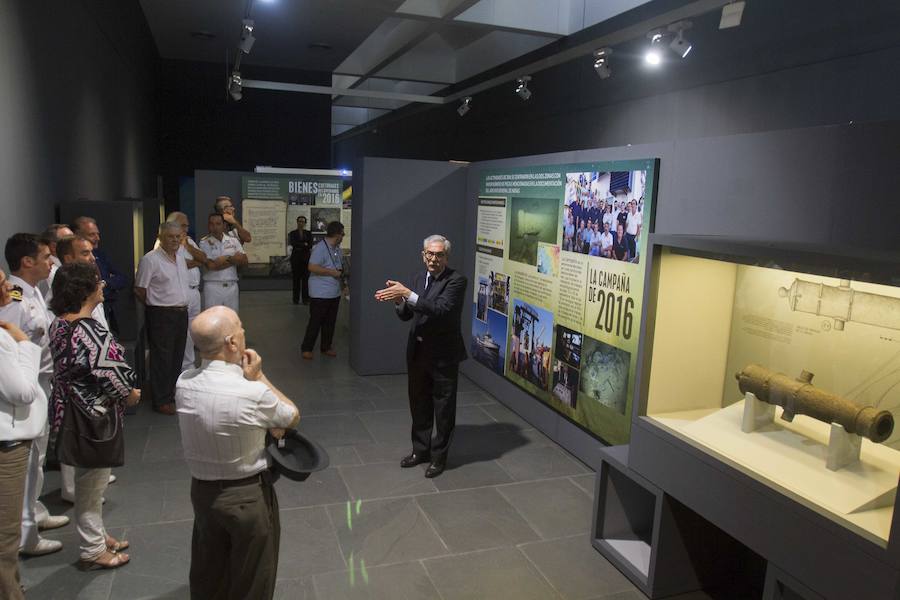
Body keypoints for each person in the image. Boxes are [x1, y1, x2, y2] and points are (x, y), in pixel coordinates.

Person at [176, 306, 299, 600]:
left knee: (209, 573)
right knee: (253, 579)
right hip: (246, 496)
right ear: (232, 343)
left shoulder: (183, 383)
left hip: (203, 494)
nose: (245, 332)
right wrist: (258, 377)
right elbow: (290, 415)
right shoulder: (251, 393)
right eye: (241, 328)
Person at [48, 262, 140, 569]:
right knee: (91, 487)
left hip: (68, 414)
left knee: (89, 482)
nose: (102, 286)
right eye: (97, 282)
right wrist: (130, 393)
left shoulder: (59, 324)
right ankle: (92, 550)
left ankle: (98, 536)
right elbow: (111, 375)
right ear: (85, 290)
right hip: (92, 419)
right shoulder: (90, 331)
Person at [374, 234, 467, 478]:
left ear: (446, 257)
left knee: (443, 409)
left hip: (443, 356)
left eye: (439, 255)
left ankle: (439, 458)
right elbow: (407, 315)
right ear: (423, 255)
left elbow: (440, 310)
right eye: (430, 254)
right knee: (419, 404)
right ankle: (420, 450)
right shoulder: (417, 278)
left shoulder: (456, 281)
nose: (434, 259)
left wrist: (407, 293)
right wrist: (398, 301)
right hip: (417, 352)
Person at [0, 234, 69, 557]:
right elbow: (11, 350)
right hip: (26, 387)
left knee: (37, 459)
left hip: (41, 382)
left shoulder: (33, 292)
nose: (50, 262)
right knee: (28, 462)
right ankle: (25, 533)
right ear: (27, 262)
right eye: (44, 257)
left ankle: (33, 514)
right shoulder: (13, 300)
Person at [52, 235, 116, 503]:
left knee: (90, 438)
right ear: (68, 258)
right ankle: (73, 489)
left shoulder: (87, 292)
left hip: (93, 380)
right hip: (79, 383)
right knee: (74, 431)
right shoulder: (68, 296)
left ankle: (90, 476)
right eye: (85, 253)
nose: (92, 257)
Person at [0, 269, 46, 599]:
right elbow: (23, 391)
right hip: (8, 440)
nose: (8, 288)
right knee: (6, 534)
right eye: (2, 284)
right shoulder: (5, 334)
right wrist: (24, 346)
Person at [135, 223, 191, 416]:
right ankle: (161, 400)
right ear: (161, 237)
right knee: (162, 359)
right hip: (161, 314)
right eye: (171, 237)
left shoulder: (181, 256)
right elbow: (140, 289)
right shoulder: (150, 260)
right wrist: (156, 304)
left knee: (177, 356)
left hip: (181, 313)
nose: (175, 240)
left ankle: (171, 394)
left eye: (178, 237)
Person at [155, 212, 206, 371]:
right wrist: (191, 262)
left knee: (192, 333)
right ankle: (180, 369)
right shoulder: (162, 243)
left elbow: (203, 259)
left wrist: (187, 246)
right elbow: (173, 264)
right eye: (183, 225)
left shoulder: (188, 241)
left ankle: (189, 366)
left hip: (194, 292)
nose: (186, 229)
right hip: (175, 295)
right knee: (179, 334)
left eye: (187, 226)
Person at [71, 217, 128, 334]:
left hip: (106, 313)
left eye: (97, 234)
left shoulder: (100, 255)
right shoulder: (69, 278)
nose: (97, 238)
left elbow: (121, 278)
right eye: (92, 234)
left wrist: (104, 283)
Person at [301, 221, 345, 360]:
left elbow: (339, 269)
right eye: (342, 234)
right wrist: (331, 272)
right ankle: (307, 348)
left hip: (334, 292)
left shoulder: (337, 249)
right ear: (337, 234)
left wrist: (344, 285)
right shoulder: (320, 248)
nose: (343, 236)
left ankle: (326, 346)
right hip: (320, 293)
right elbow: (312, 267)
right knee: (316, 321)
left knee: (330, 322)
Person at [200, 213, 247, 313]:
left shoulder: (233, 241)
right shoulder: (204, 243)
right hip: (213, 287)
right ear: (208, 226)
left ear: (224, 225)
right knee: (212, 320)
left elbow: (245, 261)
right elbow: (211, 266)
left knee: (231, 319)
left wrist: (225, 259)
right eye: (212, 224)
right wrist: (233, 259)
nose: (215, 227)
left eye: (218, 224)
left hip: (232, 286)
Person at [37, 224, 73, 297]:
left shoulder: (64, 268)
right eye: (69, 240)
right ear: (54, 247)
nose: (76, 243)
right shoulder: (51, 272)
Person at [288, 216, 313, 305]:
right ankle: (296, 299)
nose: (301, 223)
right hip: (296, 260)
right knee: (296, 281)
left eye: (302, 221)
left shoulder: (308, 233)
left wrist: (301, 245)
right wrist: (304, 244)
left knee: (306, 281)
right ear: (297, 222)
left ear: (305, 223)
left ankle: (305, 299)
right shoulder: (293, 233)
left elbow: (310, 245)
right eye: (299, 221)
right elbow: (293, 243)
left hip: (306, 260)